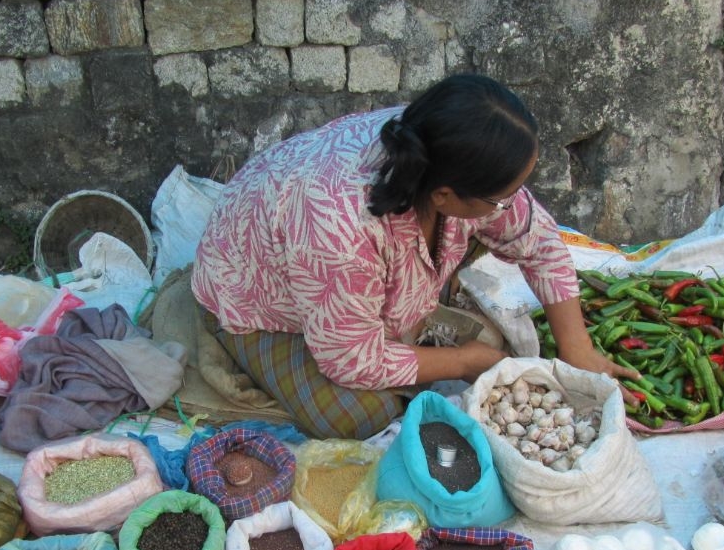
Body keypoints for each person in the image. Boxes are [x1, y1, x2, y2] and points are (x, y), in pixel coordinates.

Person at [192, 73, 637, 439]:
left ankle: (397, 318)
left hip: (333, 264)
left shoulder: (435, 147)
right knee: (360, 414)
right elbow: (351, 360)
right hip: (251, 291)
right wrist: (466, 361)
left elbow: (537, 238)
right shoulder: (340, 227)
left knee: (491, 233)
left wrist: (578, 350)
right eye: (502, 197)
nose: (513, 204)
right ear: (443, 195)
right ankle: (223, 331)